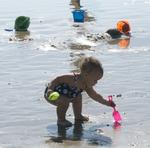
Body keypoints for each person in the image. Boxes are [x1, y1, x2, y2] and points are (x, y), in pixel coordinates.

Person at [44, 56, 116, 127]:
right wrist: (50, 89)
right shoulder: (73, 78)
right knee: (64, 101)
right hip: (52, 94)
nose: (96, 82)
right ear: (86, 75)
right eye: (95, 80)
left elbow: (96, 96)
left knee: (78, 97)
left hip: (68, 95)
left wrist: (107, 102)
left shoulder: (87, 86)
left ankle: (78, 116)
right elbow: (57, 79)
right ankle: (61, 120)